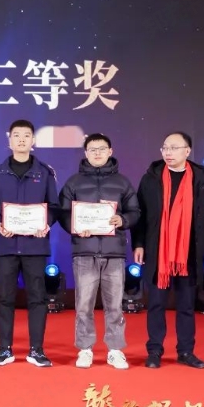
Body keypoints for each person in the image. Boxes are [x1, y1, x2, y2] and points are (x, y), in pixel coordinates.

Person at [132, 131, 204, 369]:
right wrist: (138, 243)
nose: (168, 152)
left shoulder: (200, 179)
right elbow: (140, 215)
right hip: (157, 250)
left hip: (189, 251)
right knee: (156, 304)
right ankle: (154, 351)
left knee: (186, 305)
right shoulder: (151, 178)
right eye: (165, 148)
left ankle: (186, 351)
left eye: (174, 148)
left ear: (187, 151)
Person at [59, 133, 140, 369]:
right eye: (92, 149)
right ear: (85, 153)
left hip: (114, 252)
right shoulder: (73, 182)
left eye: (101, 149)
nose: (97, 153)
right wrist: (75, 228)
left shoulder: (123, 182)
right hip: (84, 252)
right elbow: (63, 213)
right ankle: (85, 349)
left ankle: (115, 350)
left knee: (114, 305)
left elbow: (135, 212)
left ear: (110, 152)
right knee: (83, 305)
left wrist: (122, 220)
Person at [0, 119, 58, 367]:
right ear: (10, 140)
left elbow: (54, 206)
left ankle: (37, 350)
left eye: (26, 135)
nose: (21, 140)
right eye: (17, 135)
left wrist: (46, 223)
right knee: (5, 298)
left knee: (37, 298)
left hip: (35, 246)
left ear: (33, 140)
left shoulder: (45, 173)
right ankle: (4, 349)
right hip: (6, 245)